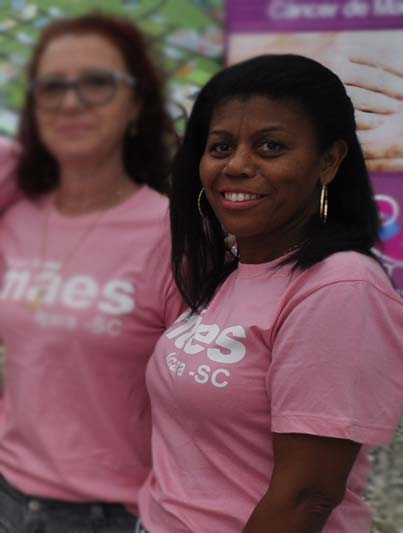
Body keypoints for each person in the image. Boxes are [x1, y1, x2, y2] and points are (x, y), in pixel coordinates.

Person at [137, 54, 403, 532]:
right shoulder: (232, 270)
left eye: (270, 146)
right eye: (221, 147)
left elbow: (306, 497)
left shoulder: (339, 287)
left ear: (329, 161)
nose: (237, 165)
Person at [0, 12, 183, 533]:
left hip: (113, 514)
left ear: (137, 103)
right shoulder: (15, 216)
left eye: (97, 83)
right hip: (8, 498)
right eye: (52, 87)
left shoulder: (173, 233)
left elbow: (208, 404)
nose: (71, 102)